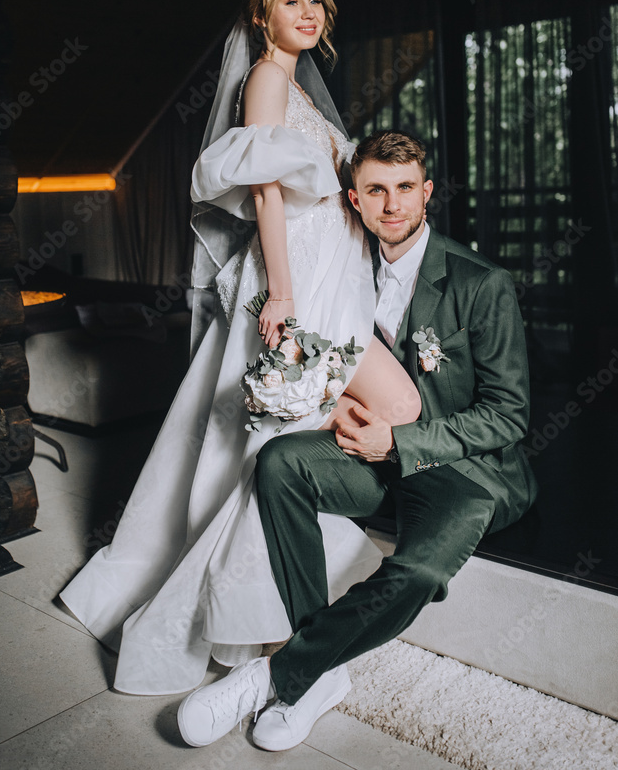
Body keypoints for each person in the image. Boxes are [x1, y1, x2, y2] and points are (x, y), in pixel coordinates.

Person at [59, 0, 420, 694]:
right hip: (299, 280)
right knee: (321, 423)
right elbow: (264, 196)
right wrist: (282, 295)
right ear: (262, 15)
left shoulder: (296, 90)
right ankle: (257, 609)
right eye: (292, 0)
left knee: (358, 414)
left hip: (329, 274)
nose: (309, 11)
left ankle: (282, 576)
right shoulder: (264, 78)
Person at [177, 129, 538, 751]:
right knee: (280, 462)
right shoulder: (346, 271)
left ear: (427, 193)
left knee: (421, 569)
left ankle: (284, 675)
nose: (391, 204)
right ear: (354, 200)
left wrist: (398, 442)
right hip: (375, 461)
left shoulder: (483, 283)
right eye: (376, 190)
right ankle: (320, 672)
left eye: (404, 189)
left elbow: (508, 415)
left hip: (464, 472)